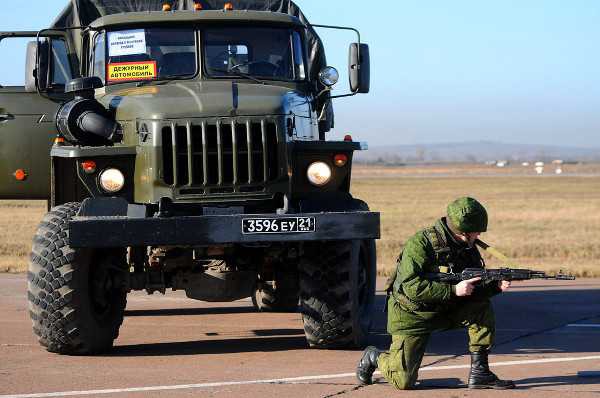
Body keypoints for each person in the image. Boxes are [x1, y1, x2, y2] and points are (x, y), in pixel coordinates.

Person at [356, 197, 515, 390]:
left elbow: (473, 289)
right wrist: (454, 290)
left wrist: (495, 287)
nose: (479, 234)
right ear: (463, 232)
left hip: (445, 308)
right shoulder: (421, 244)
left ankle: (480, 373)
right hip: (412, 314)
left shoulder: (468, 248)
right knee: (403, 381)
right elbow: (410, 286)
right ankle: (374, 356)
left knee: (480, 308)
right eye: (477, 231)